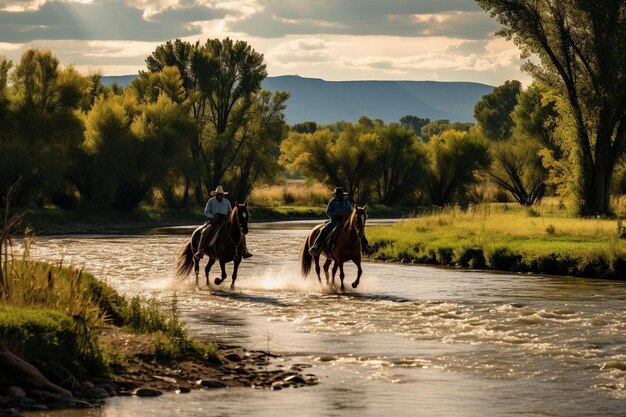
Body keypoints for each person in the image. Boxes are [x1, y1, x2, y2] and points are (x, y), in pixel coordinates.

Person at [309, 187, 371, 256]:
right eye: (337, 194)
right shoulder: (332, 202)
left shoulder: (346, 202)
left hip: (346, 221)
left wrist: (348, 214)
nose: (338, 195)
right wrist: (337, 214)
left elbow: (351, 211)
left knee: (359, 229)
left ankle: (365, 245)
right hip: (334, 221)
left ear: (342, 194)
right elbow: (328, 212)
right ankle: (316, 246)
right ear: (335, 195)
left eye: (339, 194)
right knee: (324, 229)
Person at [195, 186, 252, 260]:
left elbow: (230, 212)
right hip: (213, 221)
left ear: (223, 195)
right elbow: (206, 212)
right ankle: (201, 251)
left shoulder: (226, 202)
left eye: (221, 194)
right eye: (218, 194)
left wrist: (228, 217)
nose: (220, 196)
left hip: (225, 221)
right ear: (216, 194)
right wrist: (213, 216)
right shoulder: (211, 201)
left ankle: (244, 250)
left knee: (241, 232)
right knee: (205, 232)